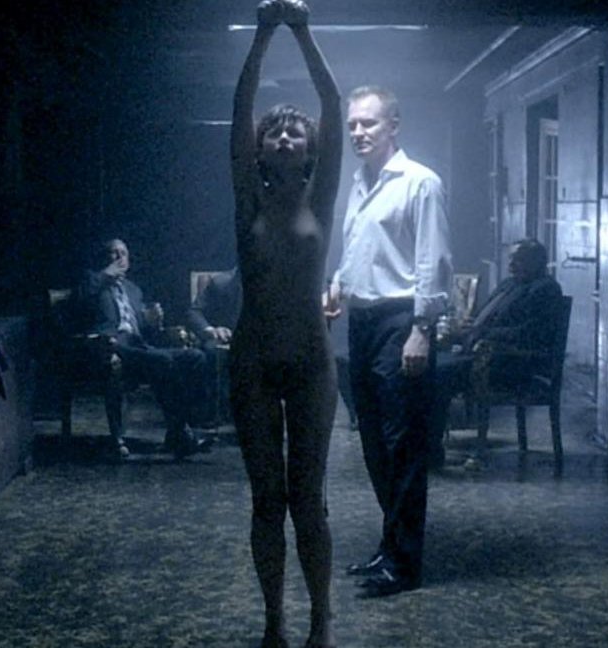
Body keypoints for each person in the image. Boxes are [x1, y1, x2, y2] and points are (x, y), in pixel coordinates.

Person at [229, 1, 341, 646]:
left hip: (311, 364)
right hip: (252, 361)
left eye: (297, 132)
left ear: (311, 148)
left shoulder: (320, 199)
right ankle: (274, 619)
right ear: (261, 149)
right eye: (275, 132)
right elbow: (242, 105)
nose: (286, 137)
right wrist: (262, 33)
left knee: (310, 501)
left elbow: (331, 101)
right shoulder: (248, 198)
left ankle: (320, 620)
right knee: (266, 501)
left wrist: (302, 30)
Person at [323, 84, 452, 598]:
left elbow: (432, 261)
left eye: (368, 123)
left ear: (393, 125)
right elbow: (359, 248)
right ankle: (390, 547)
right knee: (374, 441)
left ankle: (405, 564)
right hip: (362, 322)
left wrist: (422, 329)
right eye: (352, 124)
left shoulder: (421, 182)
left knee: (403, 445)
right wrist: (337, 286)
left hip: (402, 322)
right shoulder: (359, 183)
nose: (358, 132)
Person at [430, 239, 564, 467]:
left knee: (439, 374)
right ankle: (423, 440)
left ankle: (431, 449)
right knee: (431, 364)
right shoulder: (508, 285)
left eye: (518, 260)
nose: (511, 264)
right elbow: (485, 317)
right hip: (482, 353)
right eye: (510, 259)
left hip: (511, 363)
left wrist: (483, 333)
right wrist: (469, 328)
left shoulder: (545, 290)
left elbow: (531, 334)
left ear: (536, 262)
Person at [75, 238, 213, 460]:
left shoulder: (133, 290)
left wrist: (152, 320)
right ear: (104, 258)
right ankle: (180, 434)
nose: (119, 257)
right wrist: (104, 275)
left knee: (195, 357)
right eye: (113, 253)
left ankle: (184, 425)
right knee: (162, 361)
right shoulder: (91, 280)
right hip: (108, 346)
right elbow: (77, 303)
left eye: (123, 253)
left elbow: (144, 330)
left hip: (138, 346)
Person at [186, 266, 243, 425]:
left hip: (261, 340)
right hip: (225, 339)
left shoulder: (273, 282)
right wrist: (211, 330)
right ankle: (217, 414)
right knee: (212, 352)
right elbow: (194, 312)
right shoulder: (220, 283)